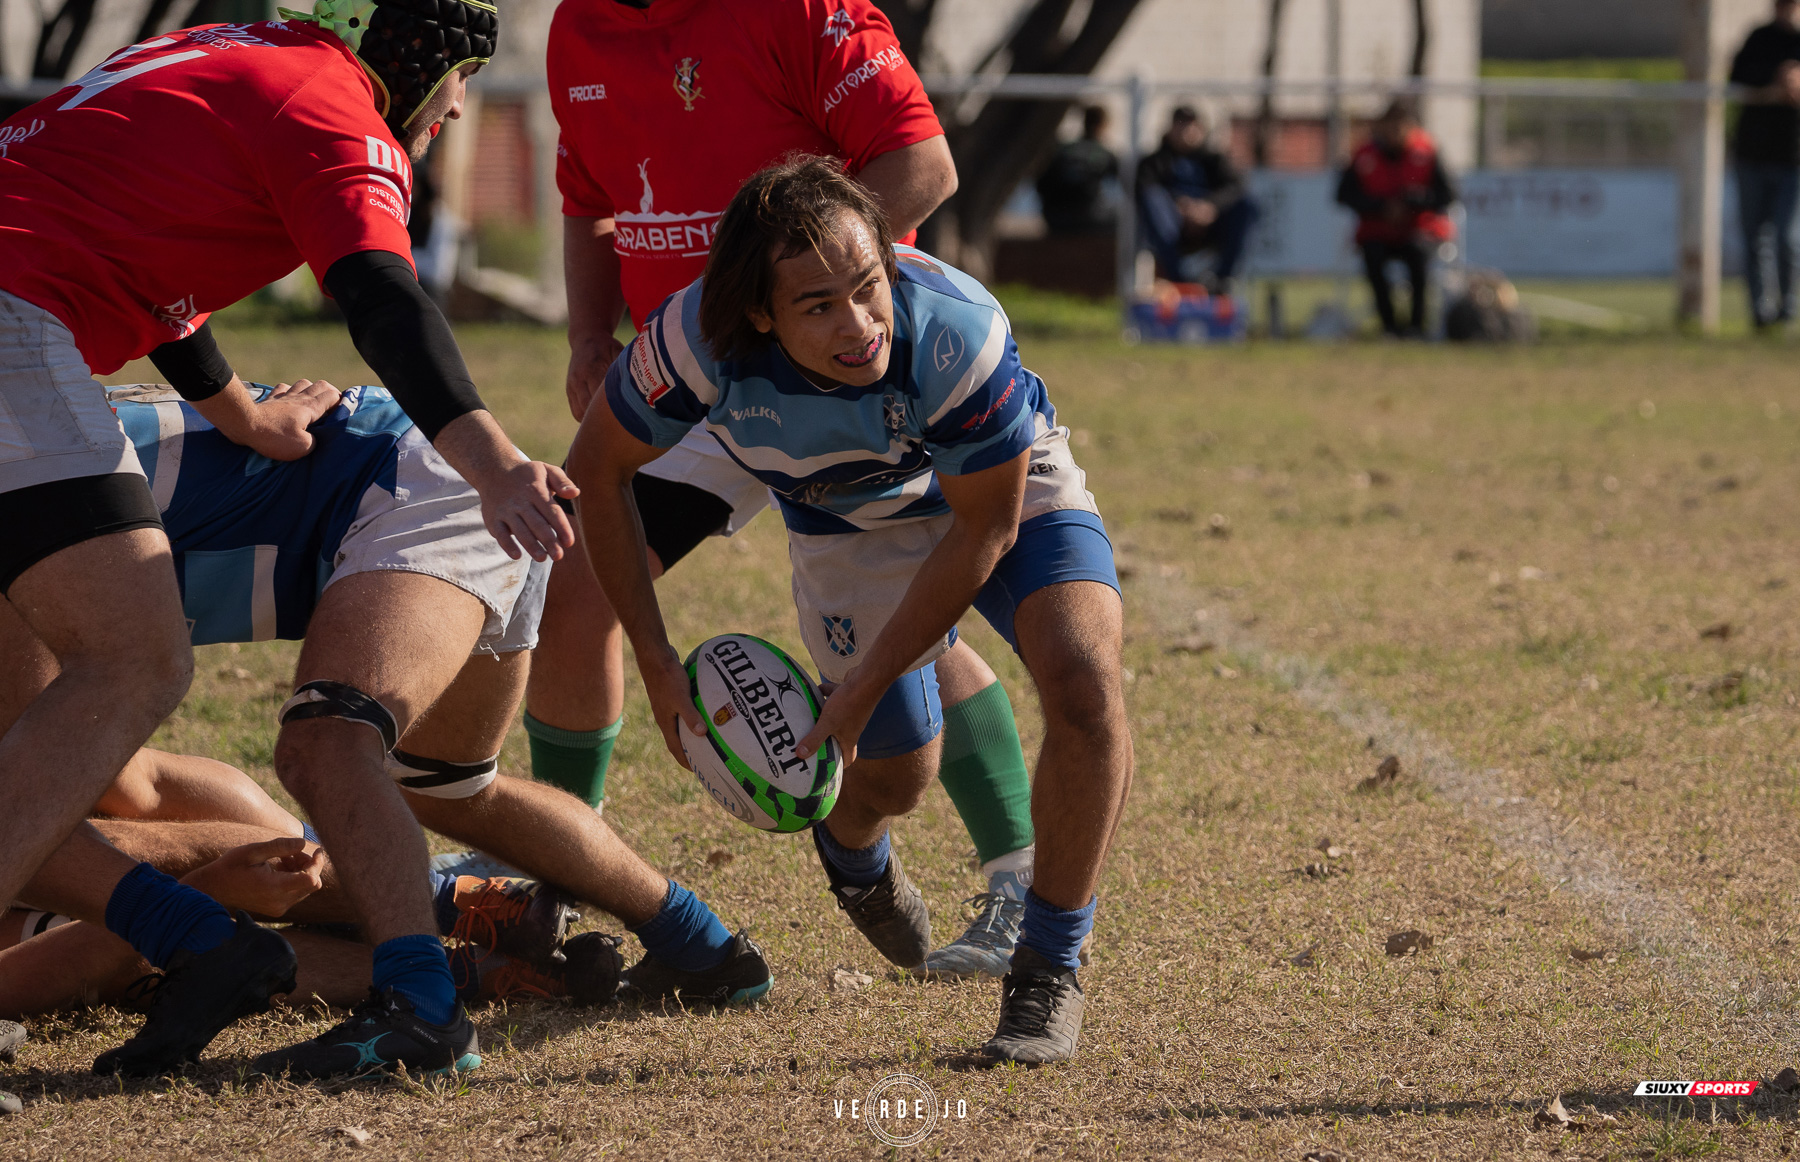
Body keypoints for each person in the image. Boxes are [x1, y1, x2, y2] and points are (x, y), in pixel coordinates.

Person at [0, 0, 580, 1078]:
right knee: (132, 661)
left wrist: (239, 416)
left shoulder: (223, 56)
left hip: (25, 318)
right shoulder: (335, 103)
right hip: (13, 325)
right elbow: (379, 293)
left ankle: (207, 943)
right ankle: (273, 929)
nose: (454, 111)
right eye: (456, 81)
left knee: (64, 719)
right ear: (414, 56)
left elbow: (136, 250)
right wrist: (497, 463)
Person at [14, 381, 764, 1077]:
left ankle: (429, 992)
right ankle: (702, 949)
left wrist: (204, 908)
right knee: (449, 789)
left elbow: (108, 789)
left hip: (407, 494)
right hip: (435, 492)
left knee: (324, 746)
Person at [570, 157, 1134, 1063]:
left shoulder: (955, 333)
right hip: (844, 523)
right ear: (759, 313)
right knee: (891, 777)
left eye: (868, 286)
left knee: (1084, 684)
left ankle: (1048, 972)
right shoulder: (696, 346)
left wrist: (868, 681)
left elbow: (983, 532)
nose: (860, 324)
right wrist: (654, 656)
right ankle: (853, 847)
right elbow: (597, 473)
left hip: (999, 493)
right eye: (819, 305)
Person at [541, 0, 1038, 981]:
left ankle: (1014, 877)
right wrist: (591, 334)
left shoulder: (801, 9)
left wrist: (795, 317)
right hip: (696, 387)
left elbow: (922, 166)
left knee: (908, 660)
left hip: (834, 383)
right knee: (567, 576)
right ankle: (562, 862)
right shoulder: (576, 27)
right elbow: (587, 193)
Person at [1335, 98, 1456, 338]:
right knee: (1373, 258)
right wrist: (1380, 207)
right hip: (1378, 231)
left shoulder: (1427, 151)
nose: (1396, 132)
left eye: (1401, 125)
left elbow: (1448, 194)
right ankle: (1389, 326)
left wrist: (1413, 202)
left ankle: (1416, 327)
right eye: (1390, 125)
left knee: (1418, 258)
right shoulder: (1364, 154)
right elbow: (1343, 195)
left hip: (1417, 230)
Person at [1135, 105, 1259, 292]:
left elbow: (1236, 187)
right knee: (1154, 201)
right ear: (1169, 129)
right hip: (1172, 226)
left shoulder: (1215, 160)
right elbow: (1145, 188)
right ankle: (1177, 278)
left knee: (1247, 206)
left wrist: (1210, 206)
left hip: (1211, 224)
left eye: (1191, 125)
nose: (1186, 131)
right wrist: (1181, 206)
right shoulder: (1154, 161)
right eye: (1180, 125)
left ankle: (1223, 279)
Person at [1730, 0, 1800, 331]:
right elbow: (1738, 77)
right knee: (1754, 237)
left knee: (1787, 237)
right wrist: (1776, 78)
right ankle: (1760, 316)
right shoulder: (1758, 39)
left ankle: (1787, 311)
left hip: (1792, 158)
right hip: (1752, 155)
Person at [1036, 105, 1119, 236]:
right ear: (1103, 126)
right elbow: (1127, 183)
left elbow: (1041, 183)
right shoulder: (1104, 154)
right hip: (1088, 218)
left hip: (1055, 218)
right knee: (1127, 217)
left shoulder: (1063, 150)